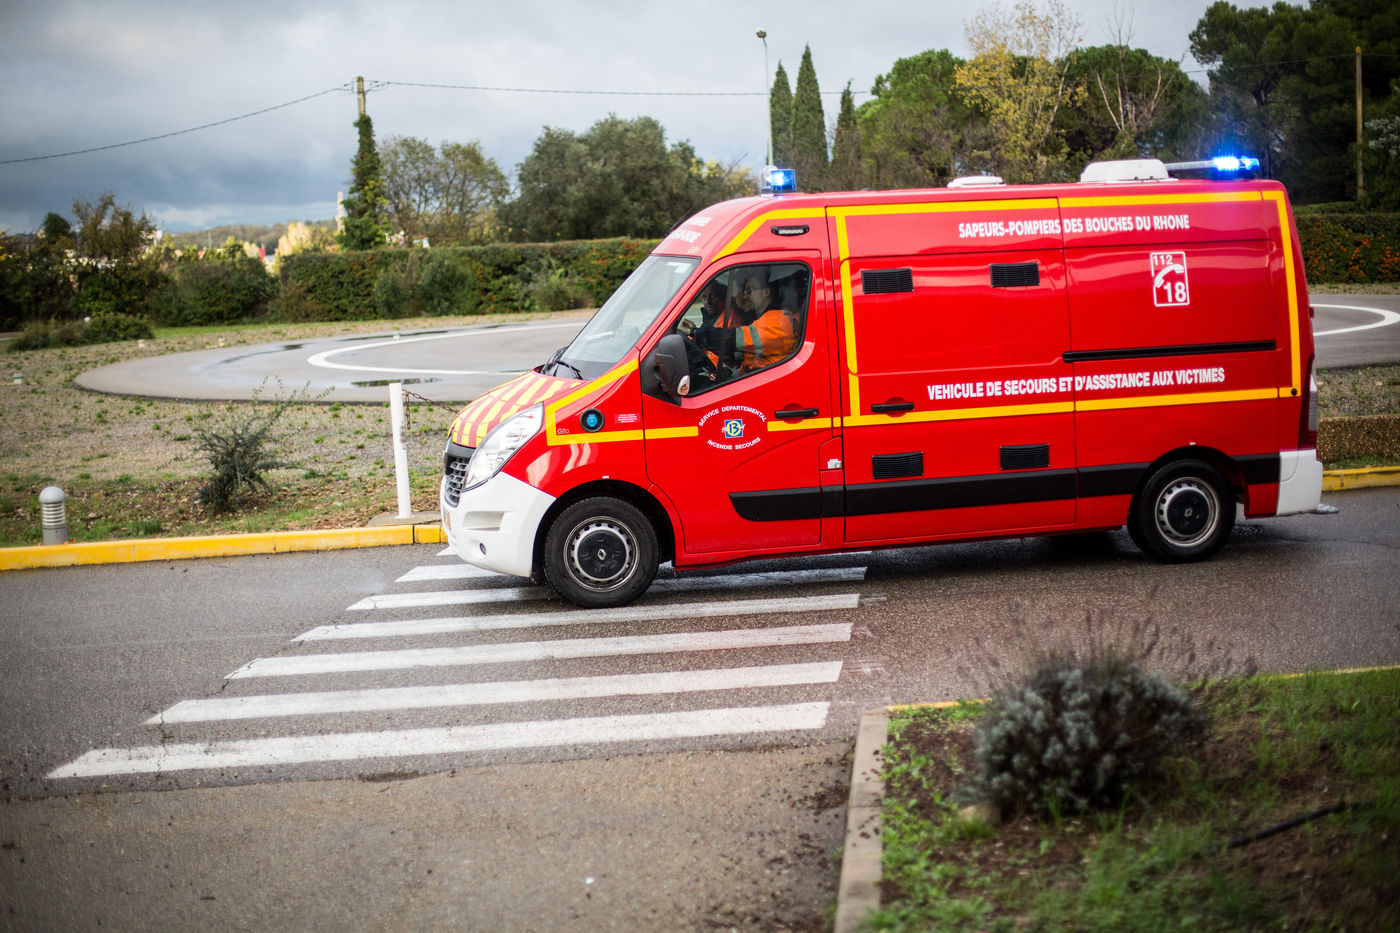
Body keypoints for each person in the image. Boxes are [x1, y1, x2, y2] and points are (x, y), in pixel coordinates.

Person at [729, 266, 797, 371]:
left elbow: (744, 338)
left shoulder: (779, 319)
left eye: (749, 290)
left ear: (766, 292)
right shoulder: (763, 317)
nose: (746, 296)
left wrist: (719, 336)